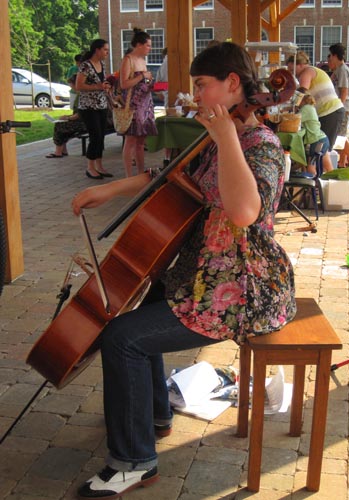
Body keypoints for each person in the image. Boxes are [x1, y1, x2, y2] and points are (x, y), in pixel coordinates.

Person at [71, 42, 296, 499]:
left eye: (201, 85)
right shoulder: (216, 138)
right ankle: (154, 414)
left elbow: (245, 211)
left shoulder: (261, 146)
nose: (194, 95)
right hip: (200, 276)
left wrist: (227, 140)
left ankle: (134, 461)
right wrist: (110, 190)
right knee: (140, 313)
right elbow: (169, 174)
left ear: (233, 84)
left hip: (241, 289)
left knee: (123, 338)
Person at [287, 51, 344, 150]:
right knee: (322, 148)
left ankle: (321, 165)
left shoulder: (307, 72)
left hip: (330, 112)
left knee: (322, 149)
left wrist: (291, 108)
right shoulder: (312, 70)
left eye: (292, 70)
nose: (292, 73)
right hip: (329, 112)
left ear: (300, 65)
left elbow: (302, 92)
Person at [120, 28, 157, 177]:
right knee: (130, 141)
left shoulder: (142, 61)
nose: (150, 48)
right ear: (139, 45)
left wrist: (151, 84)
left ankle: (141, 173)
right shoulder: (128, 60)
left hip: (145, 103)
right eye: (148, 45)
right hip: (133, 105)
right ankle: (129, 176)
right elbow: (124, 84)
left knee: (141, 142)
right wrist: (142, 76)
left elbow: (143, 82)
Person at [76, 39, 113, 180]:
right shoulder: (85, 66)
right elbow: (79, 86)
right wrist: (97, 87)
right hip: (88, 107)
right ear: (97, 50)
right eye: (105, 50)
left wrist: (106, 86)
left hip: (102, 105)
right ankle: (90, 167)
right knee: (95, 135)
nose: (107, 53)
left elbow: (101, 83)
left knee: (101, 136)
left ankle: (99, 165)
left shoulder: (102, 64)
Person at [327, 43, 349, 167]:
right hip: (342, 107)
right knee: (341, 135)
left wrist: (338, 107)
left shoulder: (343, 70)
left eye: (330, 56)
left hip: (343, 108)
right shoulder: (338, 70)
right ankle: (342, 163)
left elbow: (344, 91)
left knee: (341, 136)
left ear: (335, 55)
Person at [298, 93, 333, 175]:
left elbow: (295, 119)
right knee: (329, 169)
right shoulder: (311, 107)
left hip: (317, 141)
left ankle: (315, 185)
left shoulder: (305, 108)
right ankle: (329, 185)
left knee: (311, 167)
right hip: (322, 138)